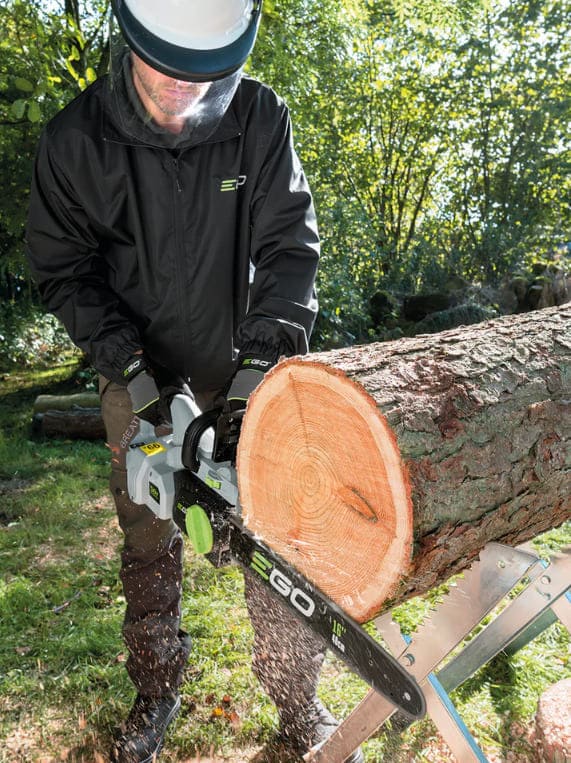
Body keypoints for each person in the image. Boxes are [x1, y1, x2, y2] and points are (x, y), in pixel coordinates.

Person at [26, 1, 364, 761]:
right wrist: (135, 375)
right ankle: (155, 688)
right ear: (130, 45)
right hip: (133, 365)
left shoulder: (257, 118)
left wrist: (255, 372)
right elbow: (63, 269)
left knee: (278, 533)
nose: (184, 97)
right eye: (165, 76)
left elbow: (288, 249)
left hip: (239, 358)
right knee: (147, 531)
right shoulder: (74, 141)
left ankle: (294, 702)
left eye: (202, 82)